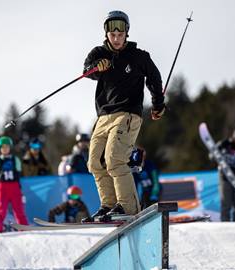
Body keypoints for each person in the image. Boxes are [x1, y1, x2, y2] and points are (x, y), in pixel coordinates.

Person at [82, 10, 165, 221]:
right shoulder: (98, 53)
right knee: (94, 163)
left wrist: (157, 104)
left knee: (114, 159)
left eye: (121, 35)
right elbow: (86, 71)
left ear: (126, 33)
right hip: (103, 117)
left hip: (127, 114)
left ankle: (128, 208)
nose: (117, 39)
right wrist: (96, 68)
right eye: (113, 35)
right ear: (107, 34)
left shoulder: (139, 56)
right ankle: (108, 205)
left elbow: (154, 78)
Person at [0, 136, 28, 232]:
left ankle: (23, 227)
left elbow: (19, 171)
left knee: (18, 209)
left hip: (14, 186)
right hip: (3, 188)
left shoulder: (15, 160)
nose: (5, 149)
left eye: (7, 147)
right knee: (1, 209)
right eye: (3, 147)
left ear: (10, 148)